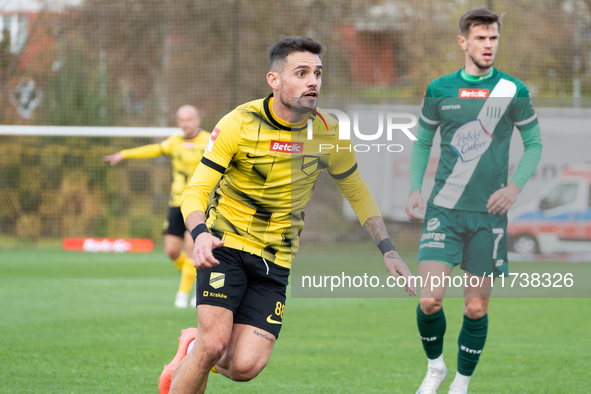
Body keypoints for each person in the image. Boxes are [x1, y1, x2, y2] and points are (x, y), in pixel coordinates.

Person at [157, 36, 416, 394]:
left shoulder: (328, 132)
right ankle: (199, 347)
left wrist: (388, 249)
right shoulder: (239, 123)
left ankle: (189, 347)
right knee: (214, 345)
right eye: (302, 72)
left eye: (318, 73)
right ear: (274, 80)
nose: (313, 81)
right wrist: (200, 233)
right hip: (225, 246)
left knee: (243, 367)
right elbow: (196, 190)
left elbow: (357, 192)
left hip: (275, 259)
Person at [405, 9, 543, 394]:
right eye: (481, 38)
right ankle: (435, 369)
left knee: (475, 308)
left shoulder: (512, 90)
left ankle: (461, 383)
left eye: (493, 38)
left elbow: (534, 144)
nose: (488, 45)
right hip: (443, 212)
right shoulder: (439, 89)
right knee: (430, 299)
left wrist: (514, 186)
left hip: (488, 216)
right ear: (463, 42)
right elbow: (422, 142)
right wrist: (415, 188)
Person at [103, 105, 211, 308]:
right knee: (171, 250)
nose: (185, 123)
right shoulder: (174, 142)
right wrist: (125, 154)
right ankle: (193, 277)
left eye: (189, 119)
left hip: (197, 202)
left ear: (198, 120)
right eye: (181, 120)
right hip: (175, 202)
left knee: (191, 249)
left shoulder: (209, 140)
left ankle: (184, 294)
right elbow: (153, 150)